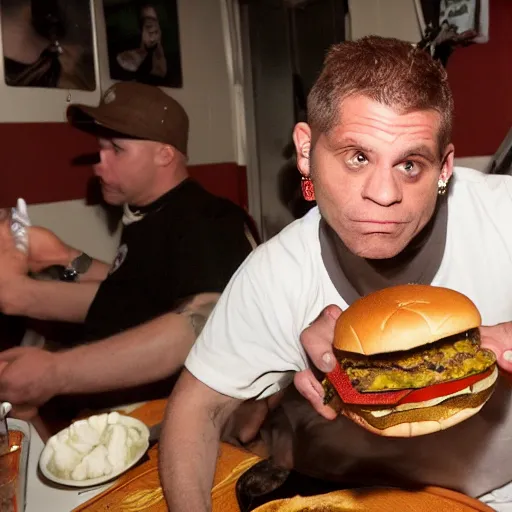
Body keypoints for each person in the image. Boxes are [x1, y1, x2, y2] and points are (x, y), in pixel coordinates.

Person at [159, 36, 512, 511]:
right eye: (358, 157)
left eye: (411, 164)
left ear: (445, 167)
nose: (384, 194)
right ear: (305, 150)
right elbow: (194, 411)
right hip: (339, 498)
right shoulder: (277, 272)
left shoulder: (502, 213)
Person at [0, 81, 255, 423]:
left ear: (164, 154)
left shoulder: (206, 217)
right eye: (100, 148)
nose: (99, 164)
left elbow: (200, 323)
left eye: (117, 149)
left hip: (163, 421)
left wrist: (55, 371)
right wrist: (63, 256)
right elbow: (135, 293)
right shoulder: (149, 214)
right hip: (111, 409)